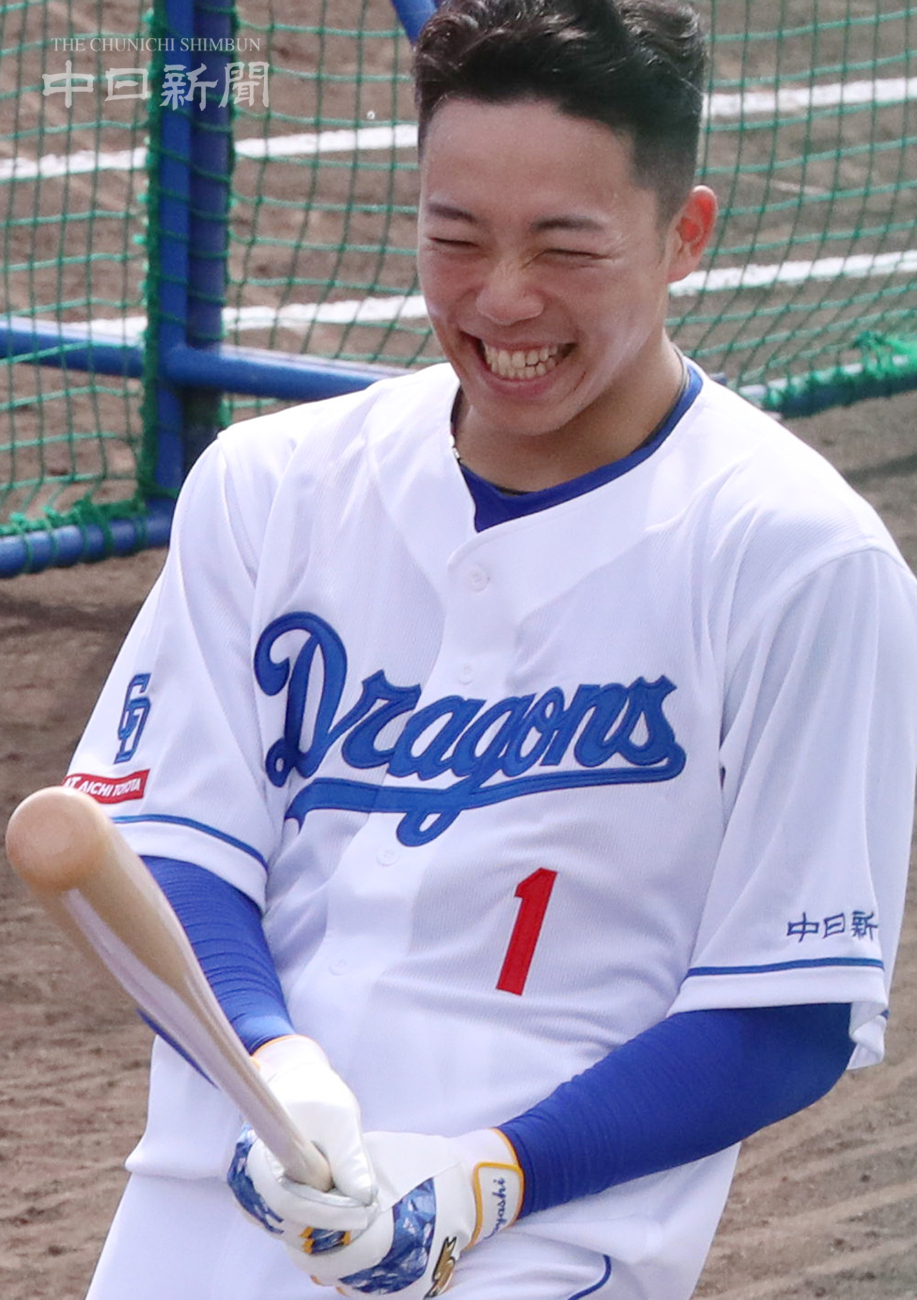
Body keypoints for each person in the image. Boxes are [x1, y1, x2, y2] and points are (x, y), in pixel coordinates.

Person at [70, 1, 917, 1298]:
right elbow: (161, 847)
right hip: (210, 1200)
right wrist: (267, 1057)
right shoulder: (271, 484)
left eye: (565, 247)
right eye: (455, 238)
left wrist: (489, 1179)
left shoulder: (799, 559)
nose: (502, 297)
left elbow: (788, 1008)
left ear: (682, 235)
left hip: (542, 1247)